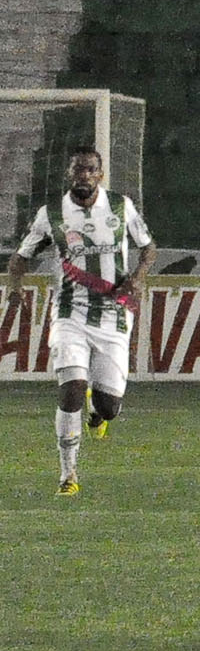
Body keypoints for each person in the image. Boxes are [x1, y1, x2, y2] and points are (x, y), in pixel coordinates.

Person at [5, 146, 156, 495]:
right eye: (78, 169)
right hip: (69, 312)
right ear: (69, 174)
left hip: (113, 314)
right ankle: (68, 475)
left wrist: (139, 277)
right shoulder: (52, 214)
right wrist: (15, 290)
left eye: (90, 169)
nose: (83, 175)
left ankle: (98, 412)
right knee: (71, 388)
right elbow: (20, 258)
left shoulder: (121, 206)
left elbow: (148, 248)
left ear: (100, 175)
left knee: (109, 406)